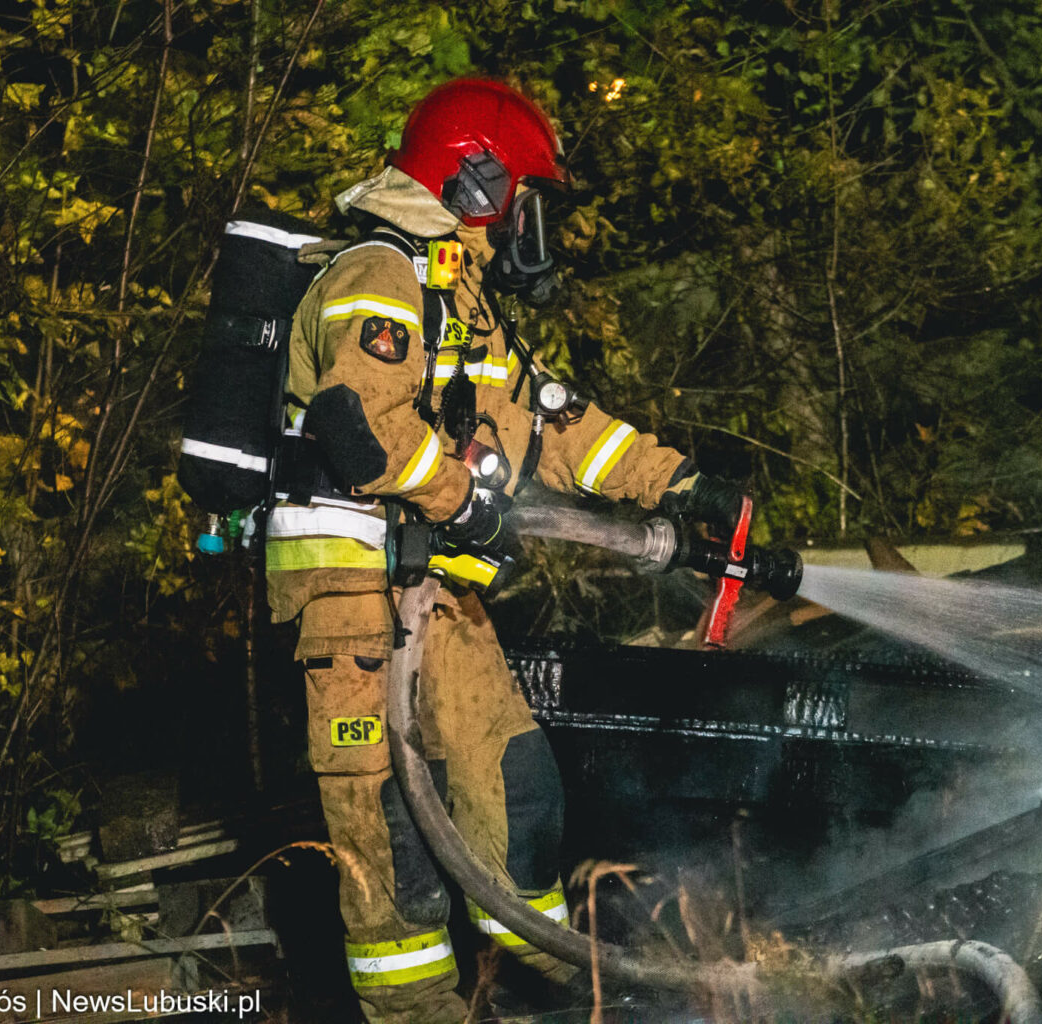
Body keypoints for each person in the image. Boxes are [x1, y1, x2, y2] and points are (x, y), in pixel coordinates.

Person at [267, 77, 743, 1024]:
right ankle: (421, 1014)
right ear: (477, 182)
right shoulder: (378, 274)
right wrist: (464, 502)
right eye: (527, 198)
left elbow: (547, 430)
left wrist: (677, 483)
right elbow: (362, 427)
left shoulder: (460, 297)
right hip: (353, 599)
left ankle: (556, 994)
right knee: (390, 833)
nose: (535, 224)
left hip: (435, 590)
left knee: (517, 786)